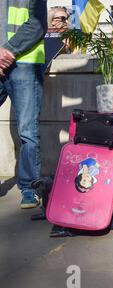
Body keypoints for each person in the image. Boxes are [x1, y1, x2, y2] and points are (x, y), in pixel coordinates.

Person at [0, 0, 47, 208]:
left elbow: (37, 25)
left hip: (25, 63)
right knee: (27, 130)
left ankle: (29, 188)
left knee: (27, 130)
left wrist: (7, 52)